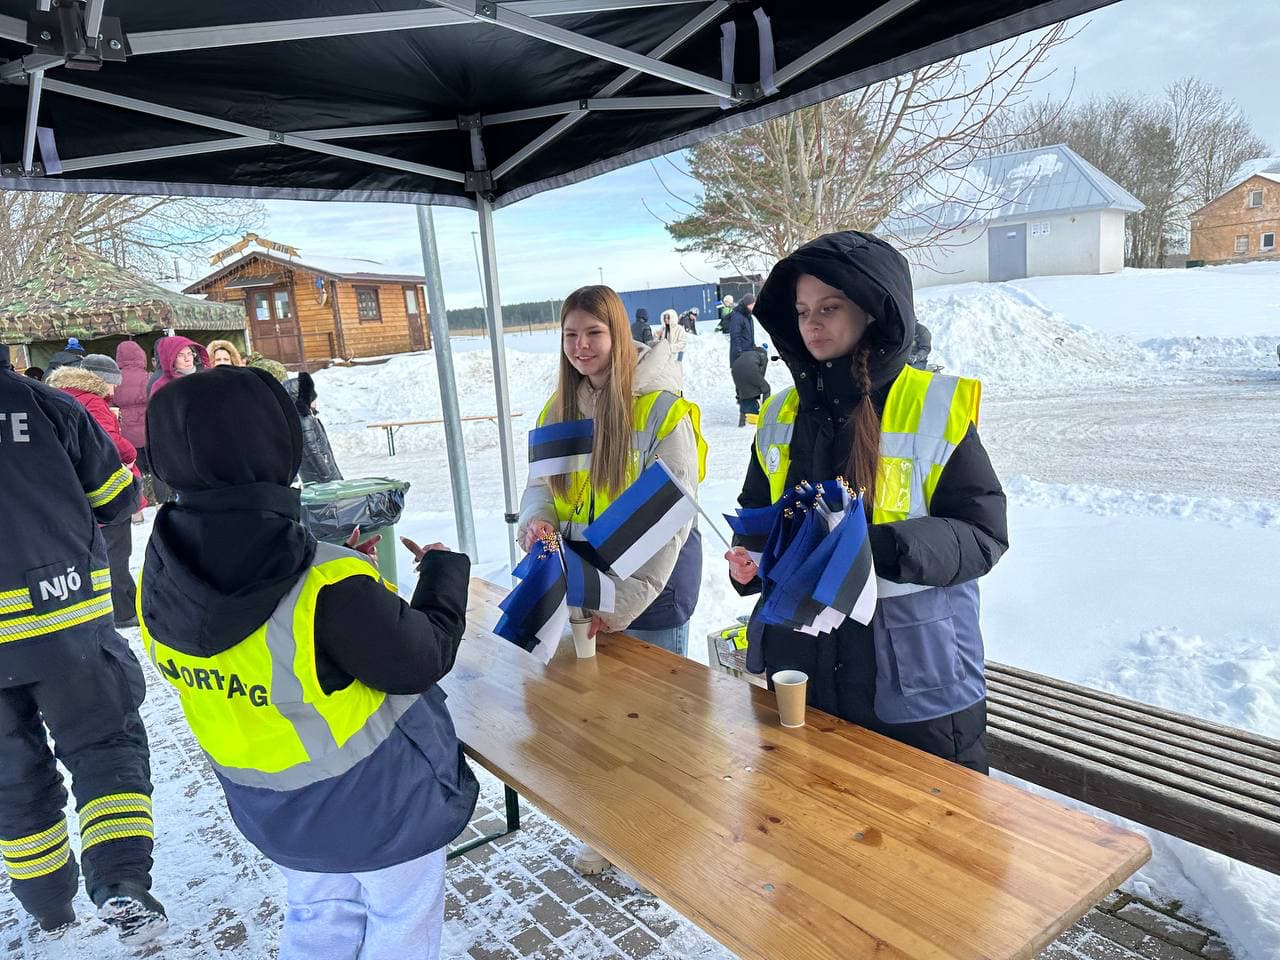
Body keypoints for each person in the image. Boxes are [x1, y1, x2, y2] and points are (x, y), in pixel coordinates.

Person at [137, 366, 478, 960]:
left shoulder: (159, 577)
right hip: (379, 805)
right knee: (401, 918)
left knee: (318, 917)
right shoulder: (327, 582)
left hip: (274, 811)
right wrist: (444, 573)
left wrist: (338, 571)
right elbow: (422, 658)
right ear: (276, 444)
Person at [724, 231, 1008, 773]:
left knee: (928, 820)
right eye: (802, 311)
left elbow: (983, 534)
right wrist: (751, 560)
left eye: (829, 307)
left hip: (911, 678)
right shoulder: (780, 413)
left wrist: (880, 549)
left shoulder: (934, 405)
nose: (812, 323)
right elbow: (758, 512)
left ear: (873, 310)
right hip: (799, 663)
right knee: (803, 811)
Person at [517, 286, 706, 872]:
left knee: (656, 728)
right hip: (584, 582)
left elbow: (670, 521)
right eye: (570, 335)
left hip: (653, 587)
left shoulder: (660, 409)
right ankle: (609, 830)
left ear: (619, 334)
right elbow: (539, 488)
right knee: (596, 724)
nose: (581, 346)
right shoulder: (558, 409)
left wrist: (616, 604)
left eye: (593, 333)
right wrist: (536, 524)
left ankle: (658, 844)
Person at [0, 344, 166, 943]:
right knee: (104, 746)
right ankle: (121, 883)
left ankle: (48, 906)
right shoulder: (49, 405)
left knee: (11, 776)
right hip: (65, 618)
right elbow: (116, 499)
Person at [46, 355, 145, 628]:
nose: (115, 390)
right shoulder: (93, 402)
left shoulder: (61, 397)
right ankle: (124, 610)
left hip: (76, 490)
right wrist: (130, 453)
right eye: (113, 383)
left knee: (97, 552)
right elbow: (109, 443)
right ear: (101, 380)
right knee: (117, 552)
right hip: (106, 491)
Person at [283, 371, 343, 483]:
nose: (315, 401)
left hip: (312, 475)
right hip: (321, 477)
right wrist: (326, 474)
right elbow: (312, 450)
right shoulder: (305, 421)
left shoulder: (296, 419)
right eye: (312, 398)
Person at [115, 341, 151, 524]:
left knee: (133, 473)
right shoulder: (148, 377)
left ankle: (137, 513)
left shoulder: (115, 380)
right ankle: (161, 504)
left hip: (126, 433)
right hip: (148, 430)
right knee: (156, 470)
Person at [731, 343, 771, 428]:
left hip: (735, 369)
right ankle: (765, 413)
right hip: (751, 369)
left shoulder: (749, 353)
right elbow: (762, 372)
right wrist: (758, 389)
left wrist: (738, 394)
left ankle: (742, 421)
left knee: (742, 390)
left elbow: (739, 384)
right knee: (766, 388)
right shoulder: (763, 355)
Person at [727, 294, 758, 367]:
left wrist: (753, 347)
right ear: (747, 305)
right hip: (740, 355)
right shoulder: (737, 316)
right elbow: (735, 336)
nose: (754, 306)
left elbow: (749, 335)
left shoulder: (748, 316)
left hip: (748, 353)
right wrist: (739, 352)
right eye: (752, 304)